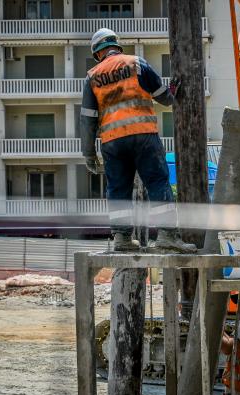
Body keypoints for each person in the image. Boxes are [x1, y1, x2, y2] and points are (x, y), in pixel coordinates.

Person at [80, 28, 195, 253]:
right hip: (143, 135)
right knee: (157, 182)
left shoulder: (92, 76)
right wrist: (171, 92)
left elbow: (87, 119)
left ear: (97, 53)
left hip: (112, 141)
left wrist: (88, 153)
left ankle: (122, 239)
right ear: (116, 45)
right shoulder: (136, 63)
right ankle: (167, 236)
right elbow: (164, 97)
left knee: (118, 188)